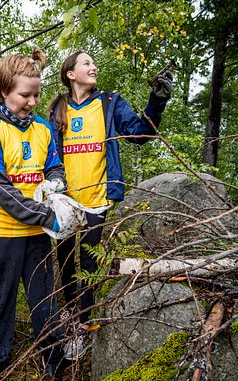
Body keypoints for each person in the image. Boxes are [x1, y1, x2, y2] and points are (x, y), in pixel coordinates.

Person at [47, 51, 173, 359]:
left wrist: (157, 100)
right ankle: (67, 312)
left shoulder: (109, 102)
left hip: (97, 198)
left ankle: (83, 325)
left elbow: (139, 134)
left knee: (89, 264)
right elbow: (49, 148)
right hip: (66, 201)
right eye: (86, 63)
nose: (93, 67)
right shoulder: (58, 107)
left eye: (93, 63)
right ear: (70, 74)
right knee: (64, 262)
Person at [0, 48, 67, 381]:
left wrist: (55, 184)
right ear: (4, 91)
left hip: (37, 234)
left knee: (45, 299)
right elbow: (0, 189)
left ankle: (55, 362)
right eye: (24, 95)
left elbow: (54, 166)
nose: (31, 102)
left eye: (36, 94)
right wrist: (44, 215)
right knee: (0, 302)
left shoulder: (43, 128)